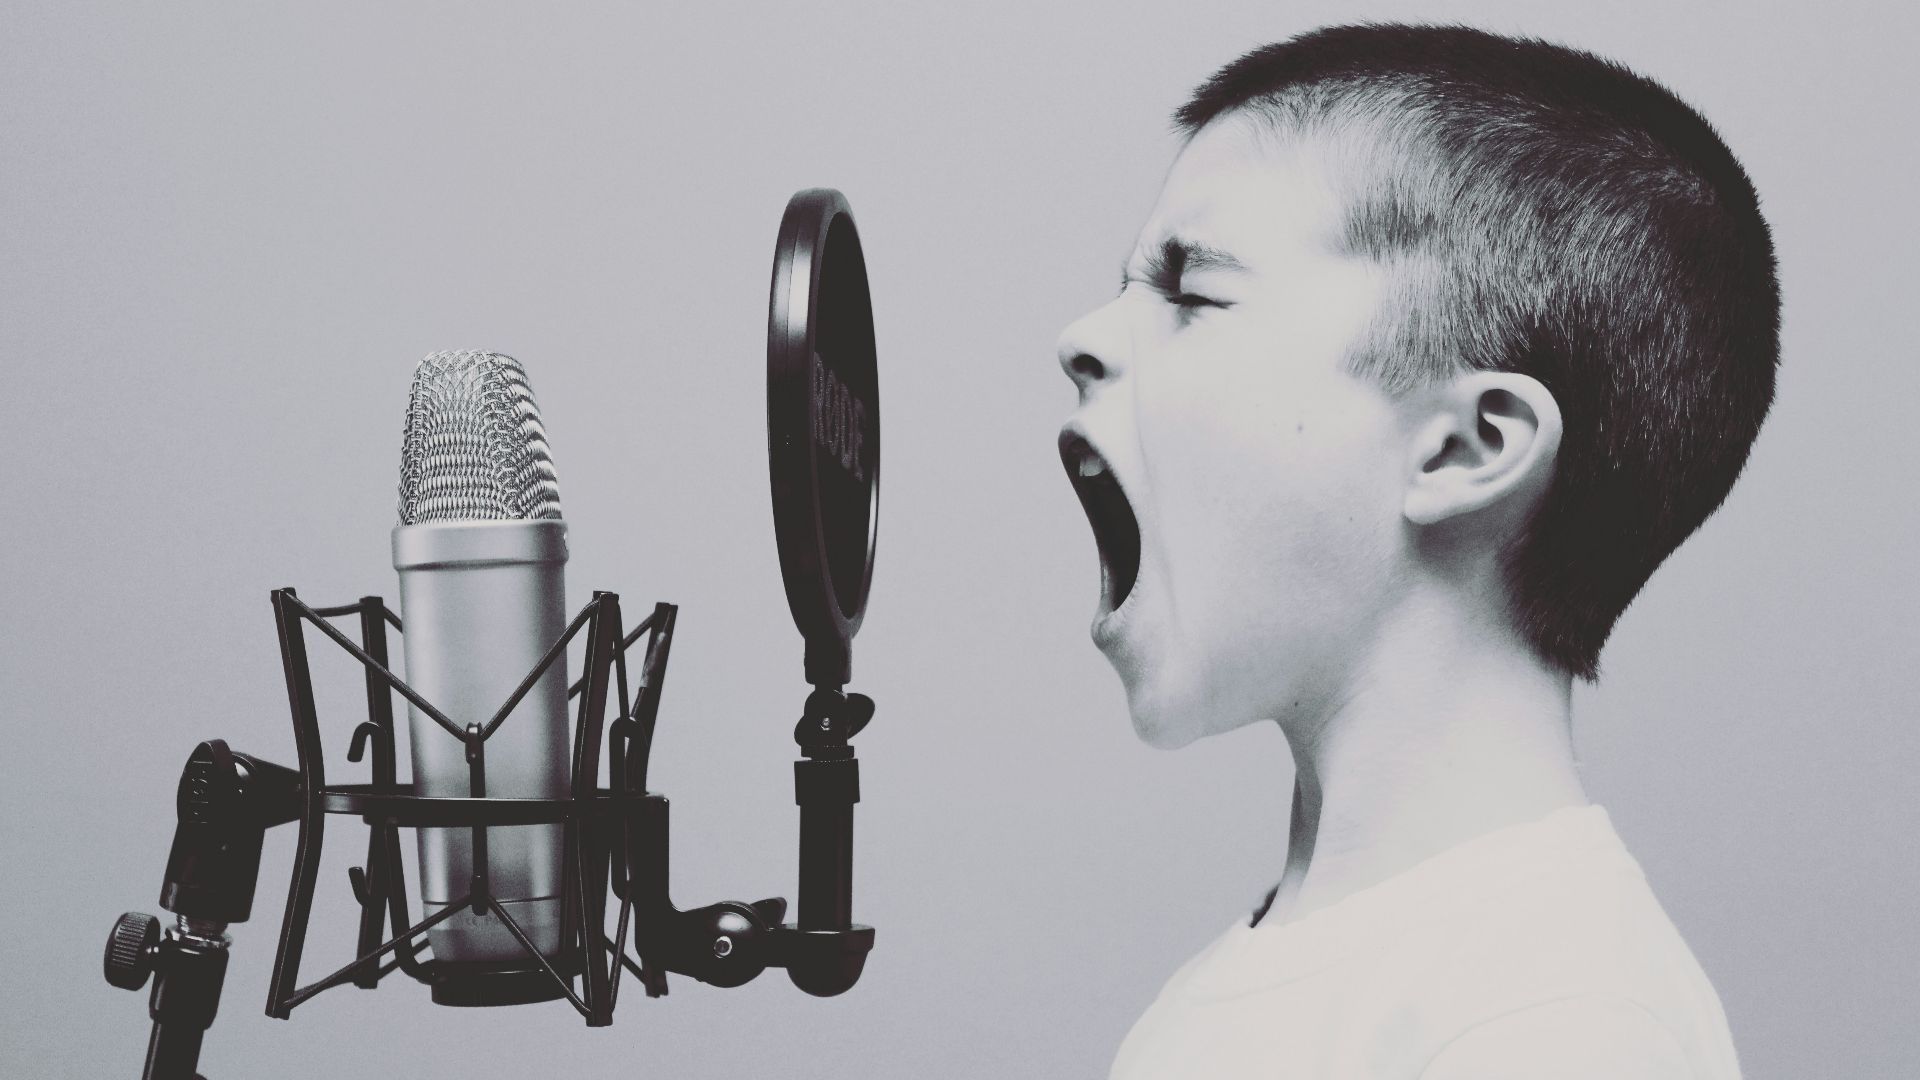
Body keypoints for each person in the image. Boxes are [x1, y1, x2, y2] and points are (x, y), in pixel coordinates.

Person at [1054, 23, 1775, 1079]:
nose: (1085, 337)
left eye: (1195, 295)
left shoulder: (1553, 1023)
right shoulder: (1286, 973)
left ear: (1465, 446)